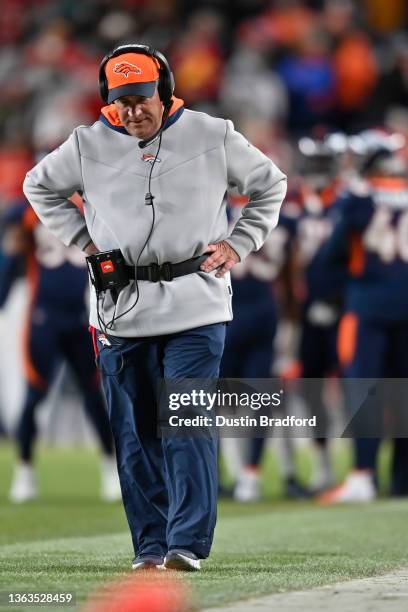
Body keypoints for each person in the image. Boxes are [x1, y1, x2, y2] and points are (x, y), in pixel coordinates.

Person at [23, 44, 287, 571]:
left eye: (142, 98)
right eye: (121, 102)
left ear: (164, 92)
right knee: (136, 433)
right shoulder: (85, 144)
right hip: (120, 310)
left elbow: (270, 185)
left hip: (197, 304)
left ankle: (187, 543)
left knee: (185, 419)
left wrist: (239, 243)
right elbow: (39, 186)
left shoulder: (214, 134)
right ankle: (150, 546)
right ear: (107, 101)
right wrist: (87, 243)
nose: (132, 111)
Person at [0, 201, 120, 503]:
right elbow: (12, 230)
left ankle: (110, 468)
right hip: (44, 318)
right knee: (34, 396)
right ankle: (25, 470)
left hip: (83, 316)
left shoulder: (95, 206)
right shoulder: (28, 212)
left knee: (94, 396)